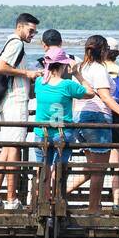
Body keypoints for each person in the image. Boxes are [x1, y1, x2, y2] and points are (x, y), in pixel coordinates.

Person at [71, 35, 119, 212]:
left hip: (79, 118)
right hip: (98, 119)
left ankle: (56, 195)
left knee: (91, 168)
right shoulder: (99, 69)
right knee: (99, 170)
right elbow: (105, 97)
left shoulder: (80, 68)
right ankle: (93, 209)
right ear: (104, 51)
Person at [0, 13, 39, 210]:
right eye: (30, 30)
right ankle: (11, 198)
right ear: (20, 27)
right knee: (15, 147)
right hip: (15, 101)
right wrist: (27, 73)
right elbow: (0, 67)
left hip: (9, 101)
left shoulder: (12, 42)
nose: (32, 35)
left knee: (7, 149)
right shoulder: (16, 43)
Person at [33, 46, 89, 205]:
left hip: (41, 132)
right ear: (63, 66)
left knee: (42, 168)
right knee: (59, 170)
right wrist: (77, 74)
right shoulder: (67, 85)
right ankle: (56, 203)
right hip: (62, 133)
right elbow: (90, 92)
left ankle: (39, 201)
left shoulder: (39, 83)